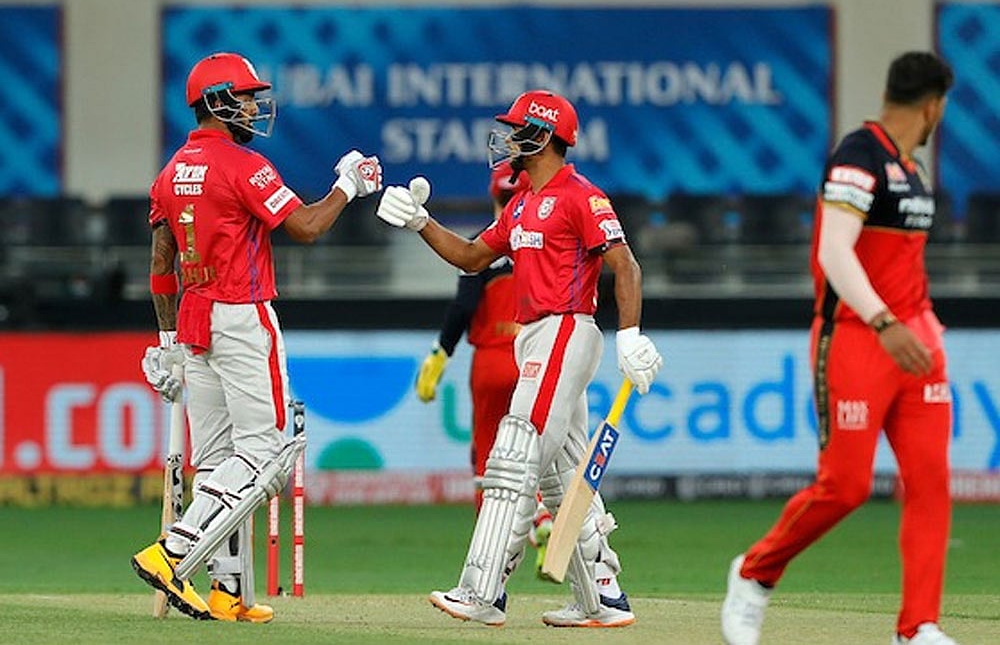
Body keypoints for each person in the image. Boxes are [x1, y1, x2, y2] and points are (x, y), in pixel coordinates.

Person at [378, 89, 663, 627]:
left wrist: (630, 336)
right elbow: (471, 257)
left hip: (565, 328)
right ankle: (601, 597)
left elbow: (625, 264)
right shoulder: (522, 203)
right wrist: (421, 222)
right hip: (535, 336)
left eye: (517, 131)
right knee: (562, 474)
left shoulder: (581, 196)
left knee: (515, 452)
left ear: (544, 136)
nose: (508, 140)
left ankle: (482, 591)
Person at [133, 51, 382, 621]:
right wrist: (347, 185)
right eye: (245, 98)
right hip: (242, 315)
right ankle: (173, 552)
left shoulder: (170, 173)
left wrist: (167, 343)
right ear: (217, 101)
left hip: (193, 320)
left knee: (218, 460)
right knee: (266, 454)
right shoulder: (245, 165)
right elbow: (307, 228)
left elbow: (161, 264)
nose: (252, 108)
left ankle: (229, 591)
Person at [720, 51, 957, 645]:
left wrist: (926, 323)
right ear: (933, 106)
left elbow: (904, 265)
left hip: (914, 342)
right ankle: (754, 573)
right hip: (856, 337)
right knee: (846, 487)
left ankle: (917, 627)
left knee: (930, 483)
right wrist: (885, 322)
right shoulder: (859, 155)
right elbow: (834, 252)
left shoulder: (913, 170)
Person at [415, 162, 555, 578]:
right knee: (535, 453)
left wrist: (440, 354)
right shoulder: (544, 240)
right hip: (536, 356)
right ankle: (542, 518)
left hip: (491, 361)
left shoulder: (483, 243)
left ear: (494, 196)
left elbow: (463, 306)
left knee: (488, 455)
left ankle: (488, 559)